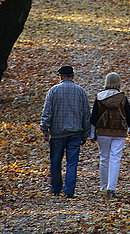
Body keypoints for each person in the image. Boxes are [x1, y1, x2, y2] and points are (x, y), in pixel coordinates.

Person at [40, 65, 90, 198]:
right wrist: (85, 133)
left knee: (55, 161)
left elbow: (47, 112)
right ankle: (69, 190)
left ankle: (56, 188)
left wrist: (45, 128)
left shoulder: (53, 91)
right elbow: (86, 114)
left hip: (57, 133)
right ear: (73, 76)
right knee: (72, 162)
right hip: (75, 133)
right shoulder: (80, 91)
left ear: (60, 76)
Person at [90, 72, 130, 198]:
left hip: (103, 132)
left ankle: (103, 186)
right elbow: (129, 114)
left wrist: (92, 134)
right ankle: (111, 188)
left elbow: (94, 117)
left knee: (104, 158)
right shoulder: (122, 98)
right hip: (119, 132)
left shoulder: (100, 97)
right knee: (115, 158)